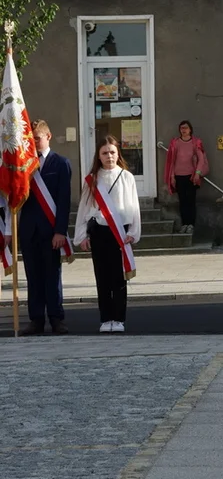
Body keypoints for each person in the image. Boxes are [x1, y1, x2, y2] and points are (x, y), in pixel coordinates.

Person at [73, 136, 141, 333]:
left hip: (120, 231)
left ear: (118, 153)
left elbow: (134, 207)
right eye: (105, 153)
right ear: (99, 156)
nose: (109, 156)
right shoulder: (93, 179)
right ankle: (106, 318)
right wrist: (82, 236)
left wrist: (133, 232)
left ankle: (119, 318)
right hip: (100, 231)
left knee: (119, 277)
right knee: (102, 276)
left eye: (112, 152)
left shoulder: (127, 177)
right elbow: (84, 209)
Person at [18, 120, 72, 335]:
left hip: (51, 230)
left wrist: (60, 230)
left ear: (48, 137)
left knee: (52, 275)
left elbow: (64, 200)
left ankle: (56, 318)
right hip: (29, 230)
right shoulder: (24, 164)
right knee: (33, 276)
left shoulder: (61, 163)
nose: (34, 143)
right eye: (30, 140)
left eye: (37, 139)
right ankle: (36, 319)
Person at [164, 120, 208, 235]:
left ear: (190, 129)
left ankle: (191, 225)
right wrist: (172, 176)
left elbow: (201, 158)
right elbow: (172, 161)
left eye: (186, 128)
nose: (184, 130)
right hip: (179, 176)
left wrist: (198, 173)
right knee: (182, 201)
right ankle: (184, 224)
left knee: (191, 201)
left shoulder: (195, 142)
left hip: (191, 176)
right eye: (182, 128)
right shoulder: (176, 143)